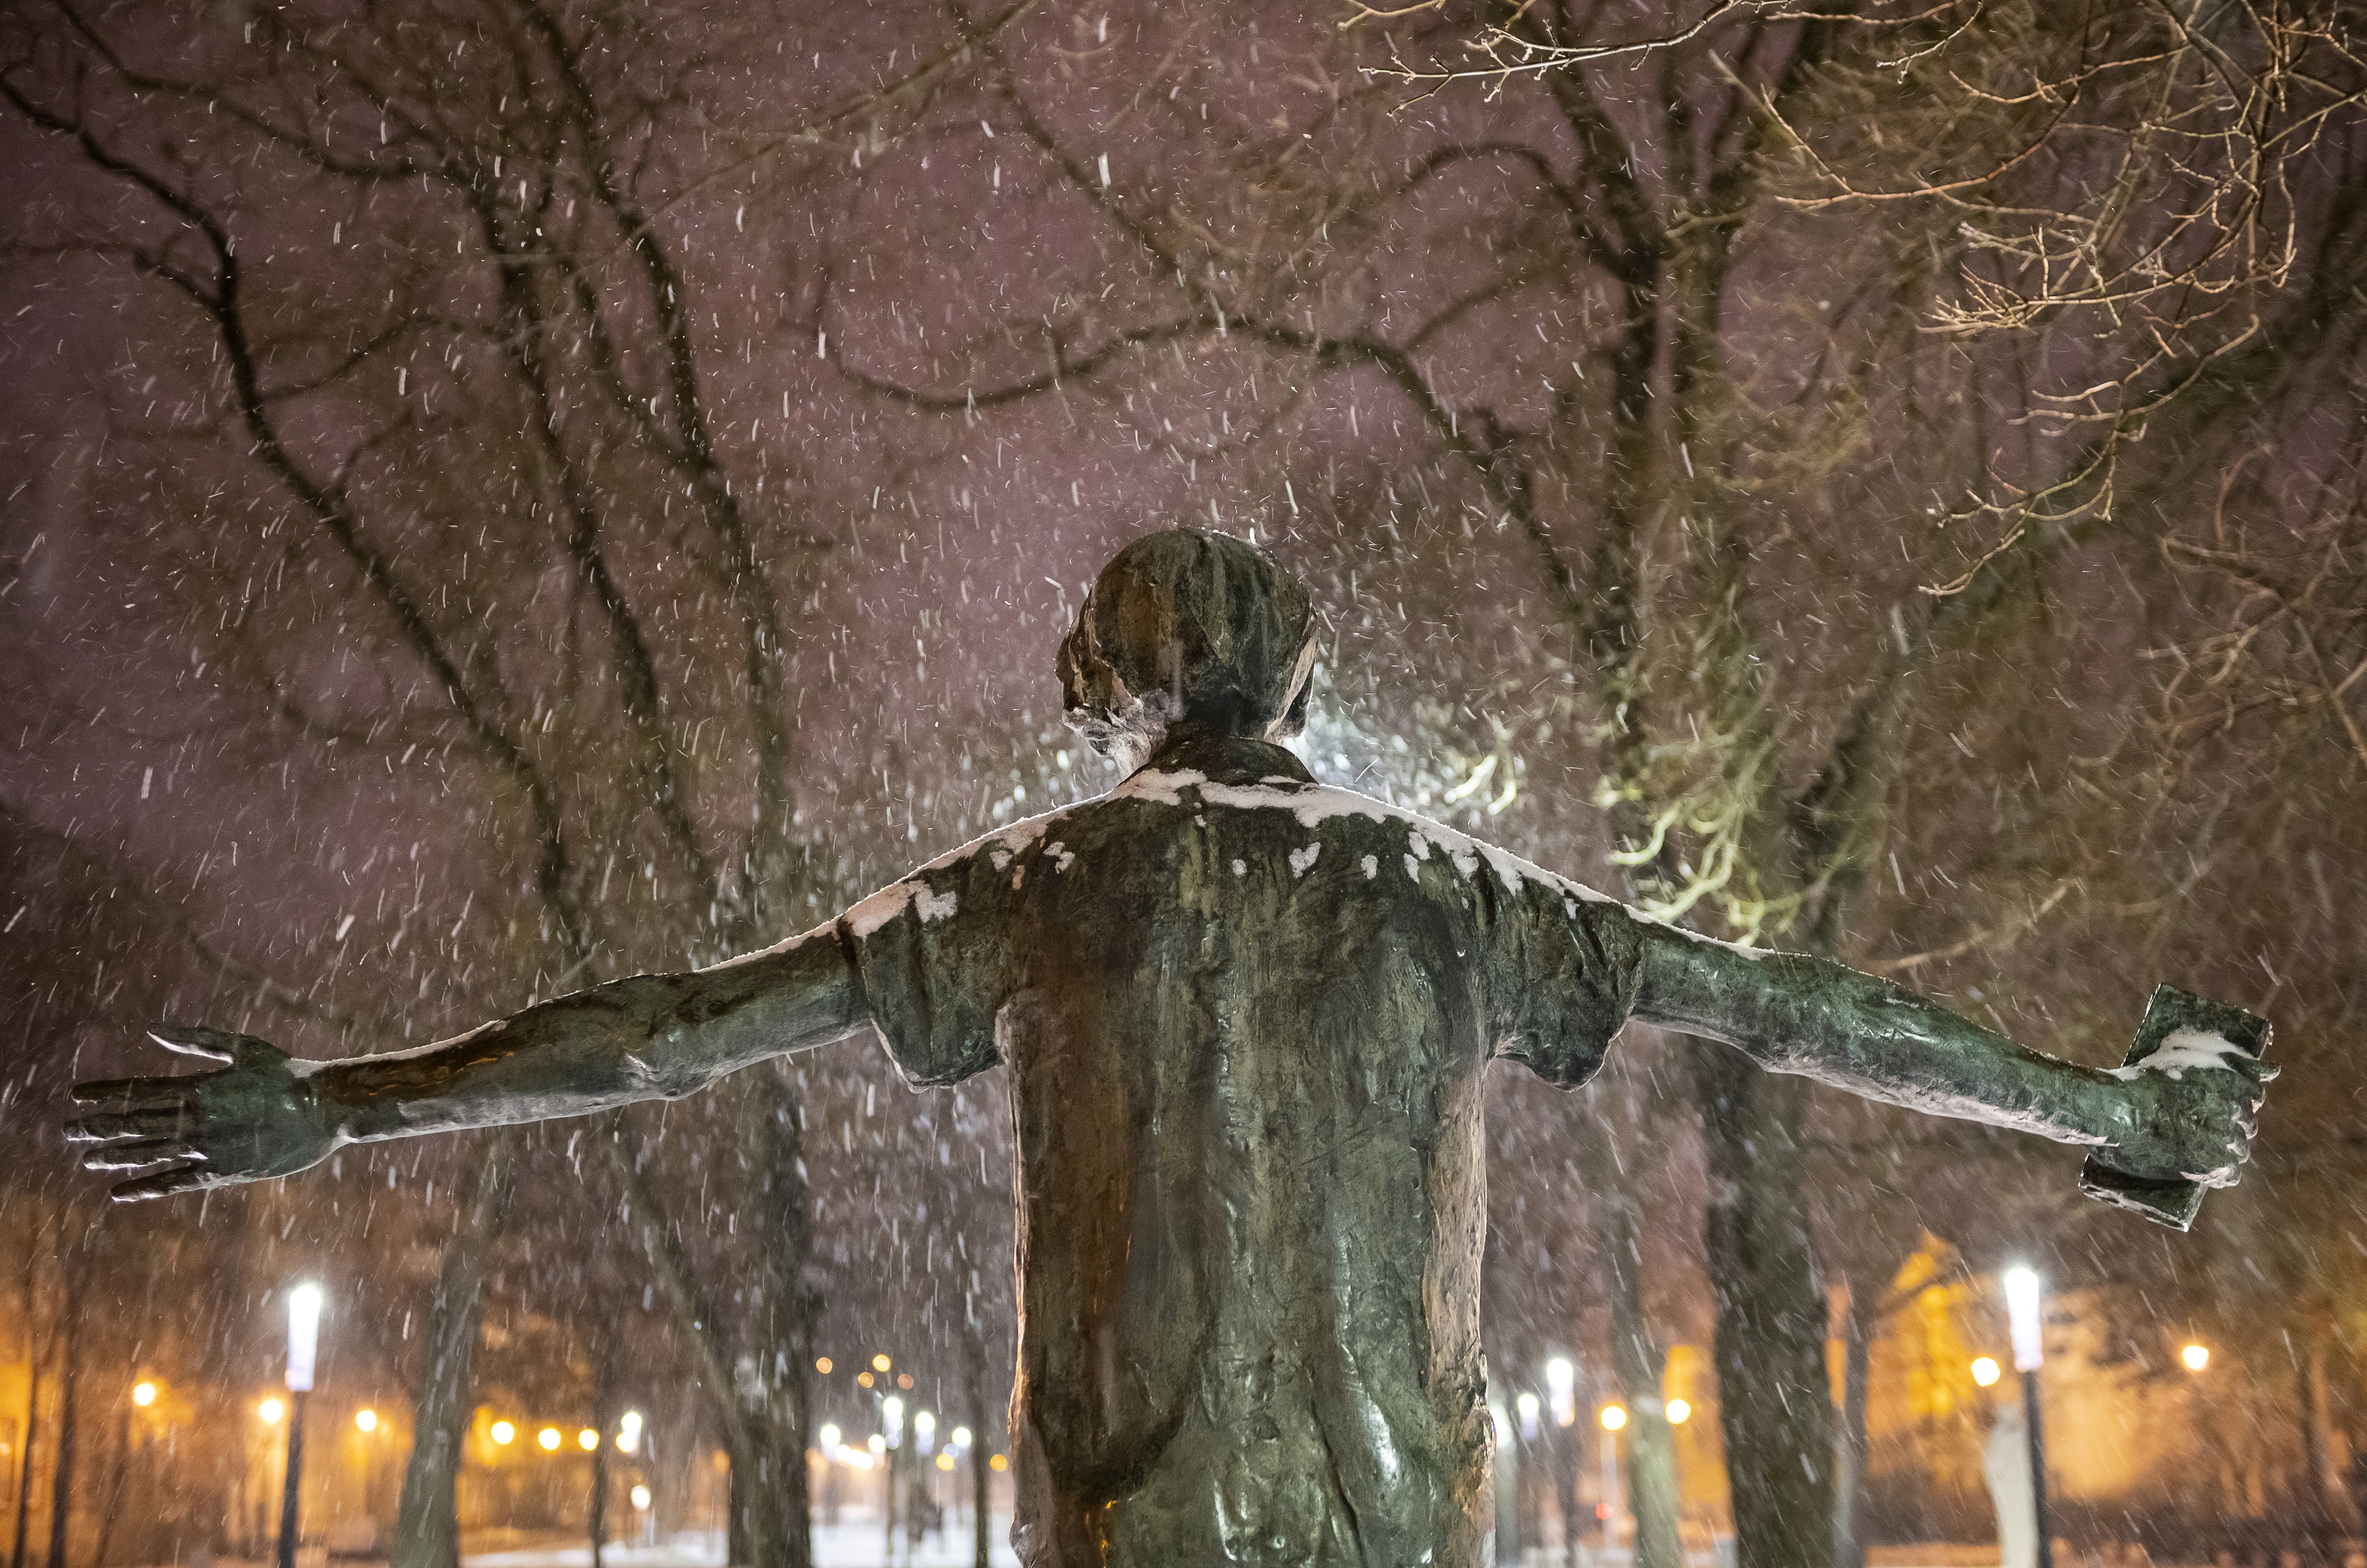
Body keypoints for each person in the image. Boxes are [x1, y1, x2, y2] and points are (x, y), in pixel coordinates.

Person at [67, 528, 2270, 1567]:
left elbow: (658, 1042)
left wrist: (344, 1104)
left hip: (1141, 1534)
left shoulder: (1030, 892)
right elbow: (1795, 1012)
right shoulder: (1450, 892)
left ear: (1087, 695)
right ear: (1301, 696)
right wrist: (2104, 1106)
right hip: (1405, 1533)